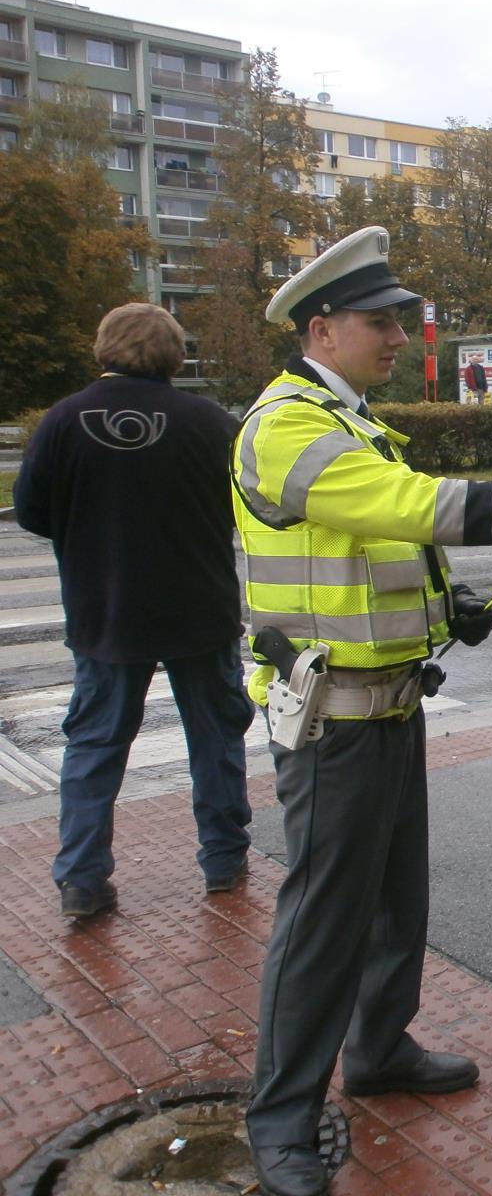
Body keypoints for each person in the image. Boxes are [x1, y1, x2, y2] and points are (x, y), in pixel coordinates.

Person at [234, 226, 492, 1196]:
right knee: (323, 923)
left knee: (394, 903)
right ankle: (282, 1121)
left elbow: (376, 545)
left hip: (383, 704)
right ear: (321, 326)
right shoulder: (287, 426)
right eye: (380, 323)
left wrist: (445, 608)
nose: (398, 337)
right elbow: (413, 508)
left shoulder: (348, 421)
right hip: (332, 716)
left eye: (400, 320)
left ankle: (378, 1049)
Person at [14, 303, 255, 919]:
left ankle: (82, 879)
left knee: (94, 745)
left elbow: (33, 513)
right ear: (176, 355)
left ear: (104, 348)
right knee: (216, 738)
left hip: (106, 611)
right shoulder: (209, 423)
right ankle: (224, 861)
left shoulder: (62, 421)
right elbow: (245, 507)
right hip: (199, 609)